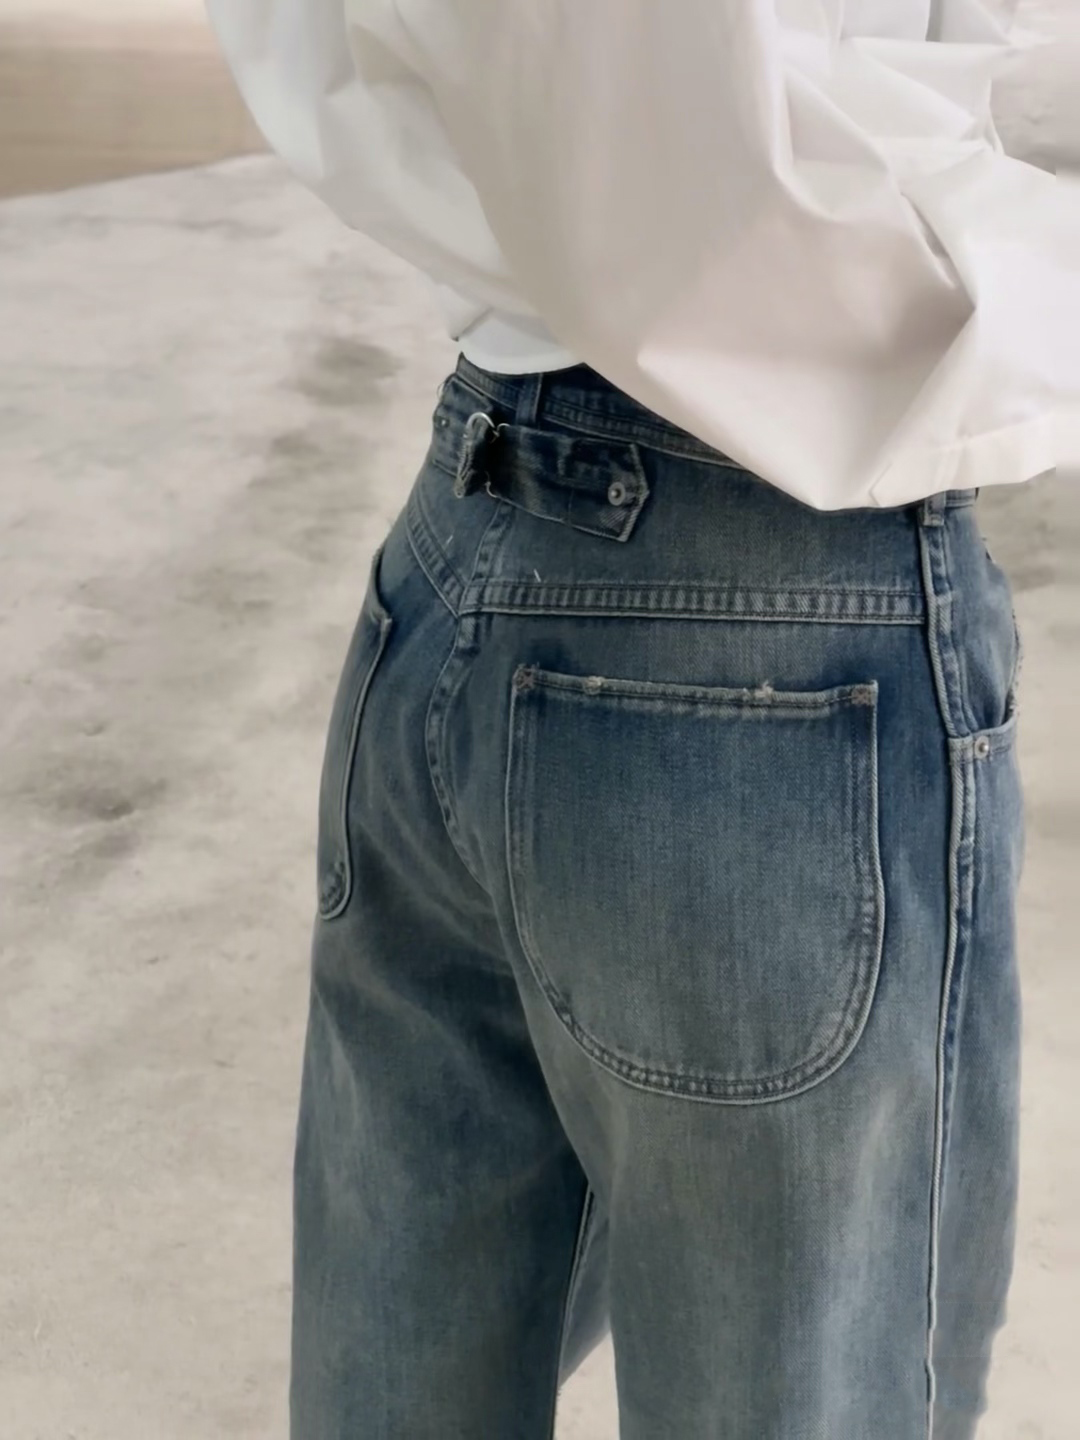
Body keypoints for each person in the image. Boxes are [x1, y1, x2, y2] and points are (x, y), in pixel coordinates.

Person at [207, 4, 1070, 1436]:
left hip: (471, 519)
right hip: (770, 581)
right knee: (803, 1389)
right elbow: (735, 186)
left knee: (402, 1364)